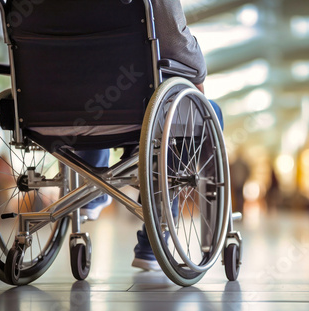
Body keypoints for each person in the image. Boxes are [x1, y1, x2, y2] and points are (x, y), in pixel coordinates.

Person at [79, 0, 221, 271]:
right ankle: (154, 240)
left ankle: (91, 183)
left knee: (91, 85)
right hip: (138, 112)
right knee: (200, 111)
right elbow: (175, 42)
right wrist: (199, 74)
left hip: (63, 112)